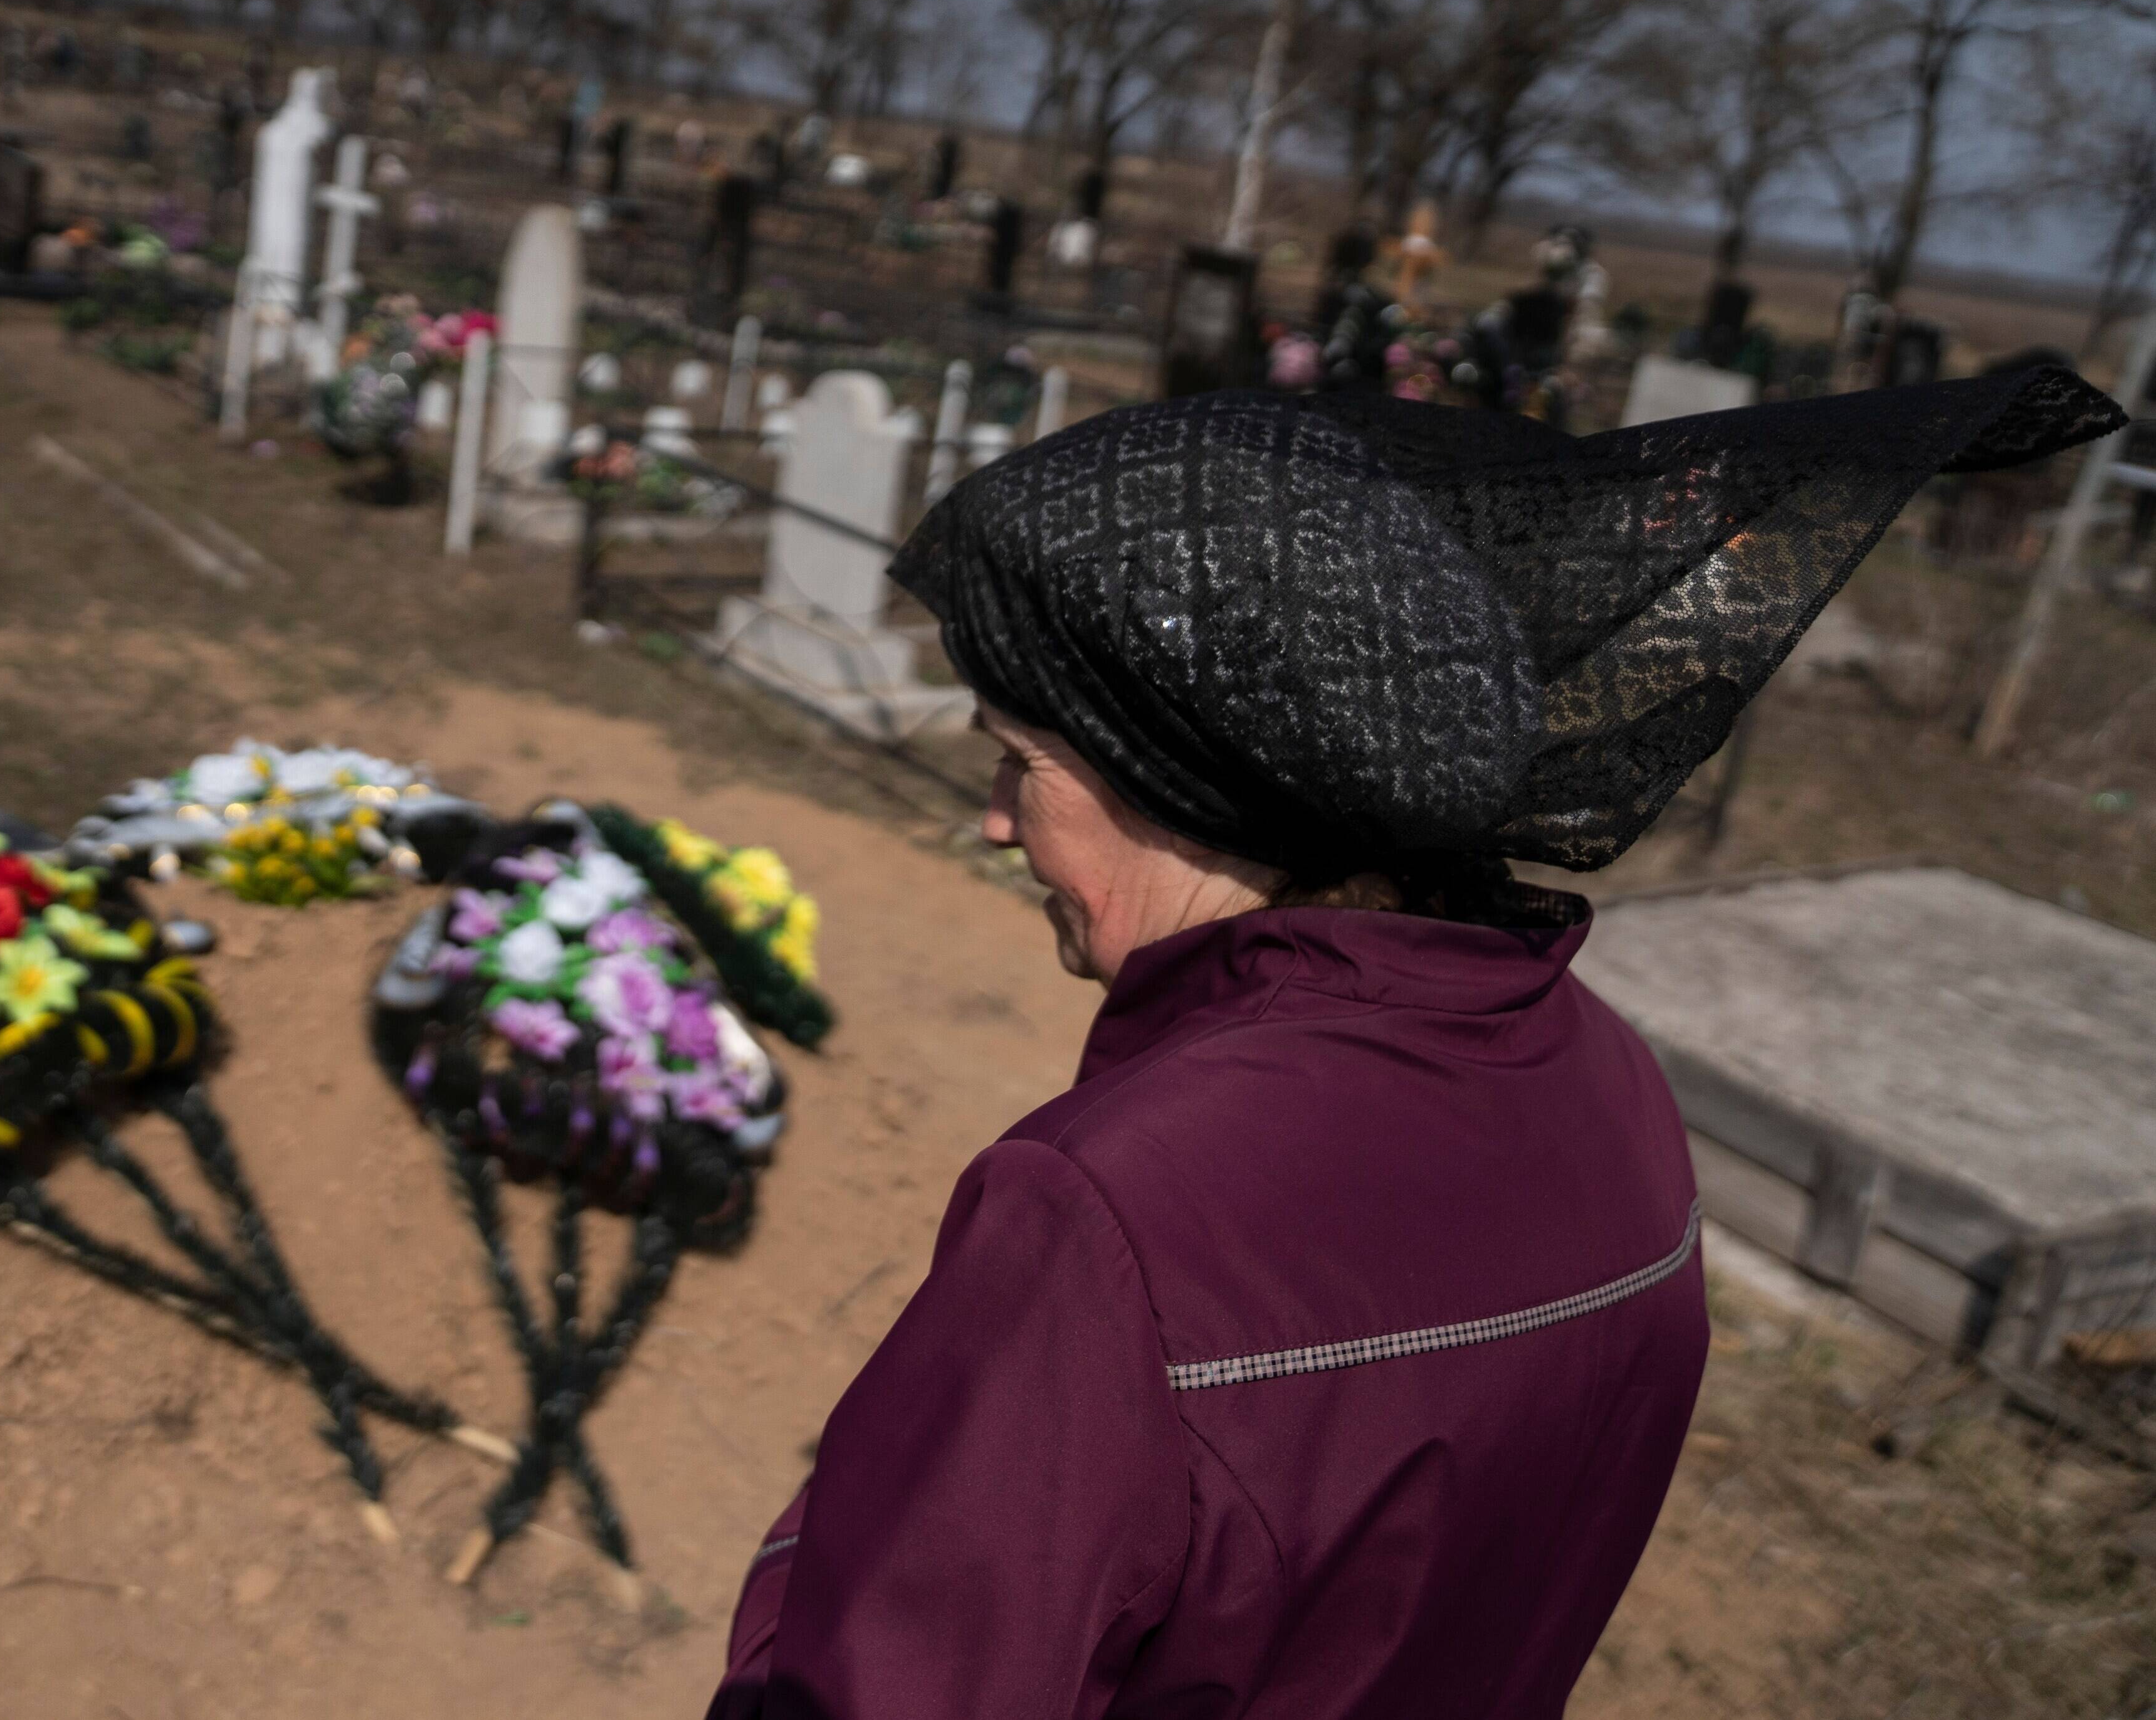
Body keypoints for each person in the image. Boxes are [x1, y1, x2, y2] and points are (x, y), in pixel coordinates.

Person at [707, 369, 2123, 1719]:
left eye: (1024, 761)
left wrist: (842, 1525)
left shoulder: (1108, 1215)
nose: (995, 818)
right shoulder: (1607, 1082)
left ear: (1188, 772)